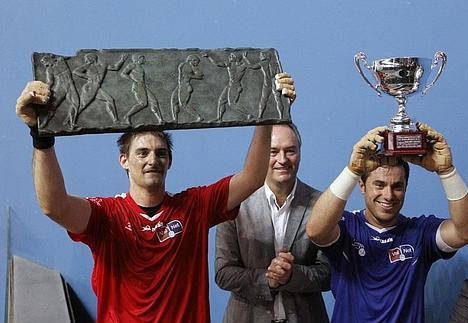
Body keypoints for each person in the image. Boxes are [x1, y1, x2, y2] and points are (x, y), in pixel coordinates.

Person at [14, 73, 295, 323]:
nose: (153, 160)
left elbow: (253, 177)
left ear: (170, 161)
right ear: (123, 160)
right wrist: (41, 137)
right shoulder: (106, 215)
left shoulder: (194, 207)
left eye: (161, 153)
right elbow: (53, 205)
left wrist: (267, 113)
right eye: (142, 152)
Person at [306, 124, 468, 323]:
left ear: (406, 188)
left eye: (397, 186)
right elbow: (315, 231)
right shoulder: (347, 226)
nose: (388, 195)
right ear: (362, 186)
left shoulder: (420, 233)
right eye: (379, 185)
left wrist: (447, 171)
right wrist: (353, 170)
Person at [215, 123, 330, 323]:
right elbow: (223, 273)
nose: (282, 160)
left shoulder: (322, 204)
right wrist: (267, 279)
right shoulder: (234, 204)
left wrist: (292, 275)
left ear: (300, 153)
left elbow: (329, 273)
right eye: (273, 152)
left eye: (290, 151)